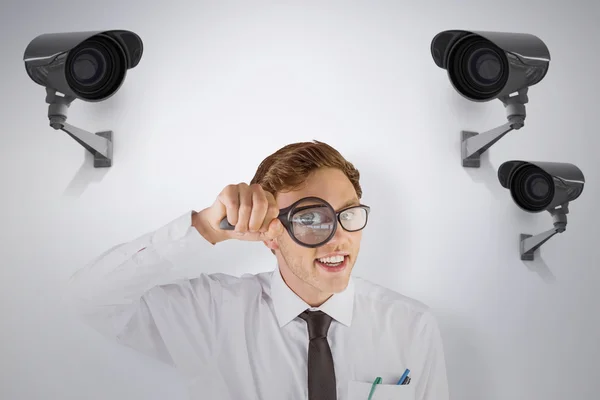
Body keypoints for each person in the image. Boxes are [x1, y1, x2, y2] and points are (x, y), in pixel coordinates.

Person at [67, 140, 450, 400]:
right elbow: (89, 298)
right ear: (269, 234)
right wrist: (203, 228)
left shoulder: (412, 325)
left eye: (347, 214)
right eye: (311, 219)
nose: (338, 238)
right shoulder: (212, 314)